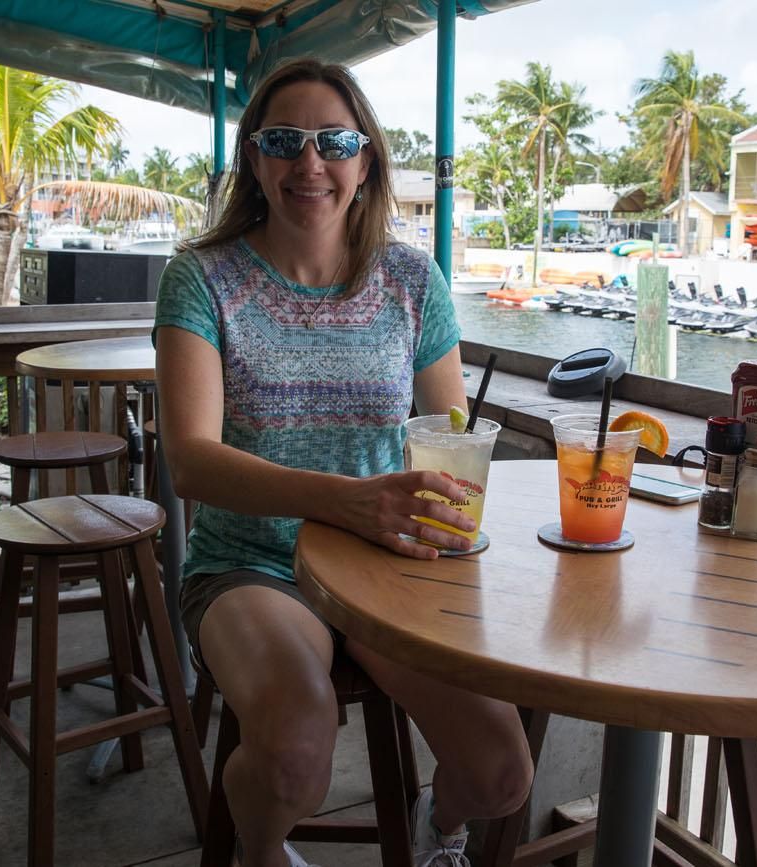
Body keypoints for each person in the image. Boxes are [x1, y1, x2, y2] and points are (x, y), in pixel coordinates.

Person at [154, 58, 534, 867]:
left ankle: (442, 824)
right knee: (296, 750)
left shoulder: (411, 279)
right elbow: (191, 461)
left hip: (385, 557)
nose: (310, 162)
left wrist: (435, 508)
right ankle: (260, 847)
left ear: (366, 161)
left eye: (334, 141)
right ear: (255, 160)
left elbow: (449, 428)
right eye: (285, 140)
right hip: (252, 563)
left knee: (502, 770)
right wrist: (347, 499)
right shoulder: (202, 277)